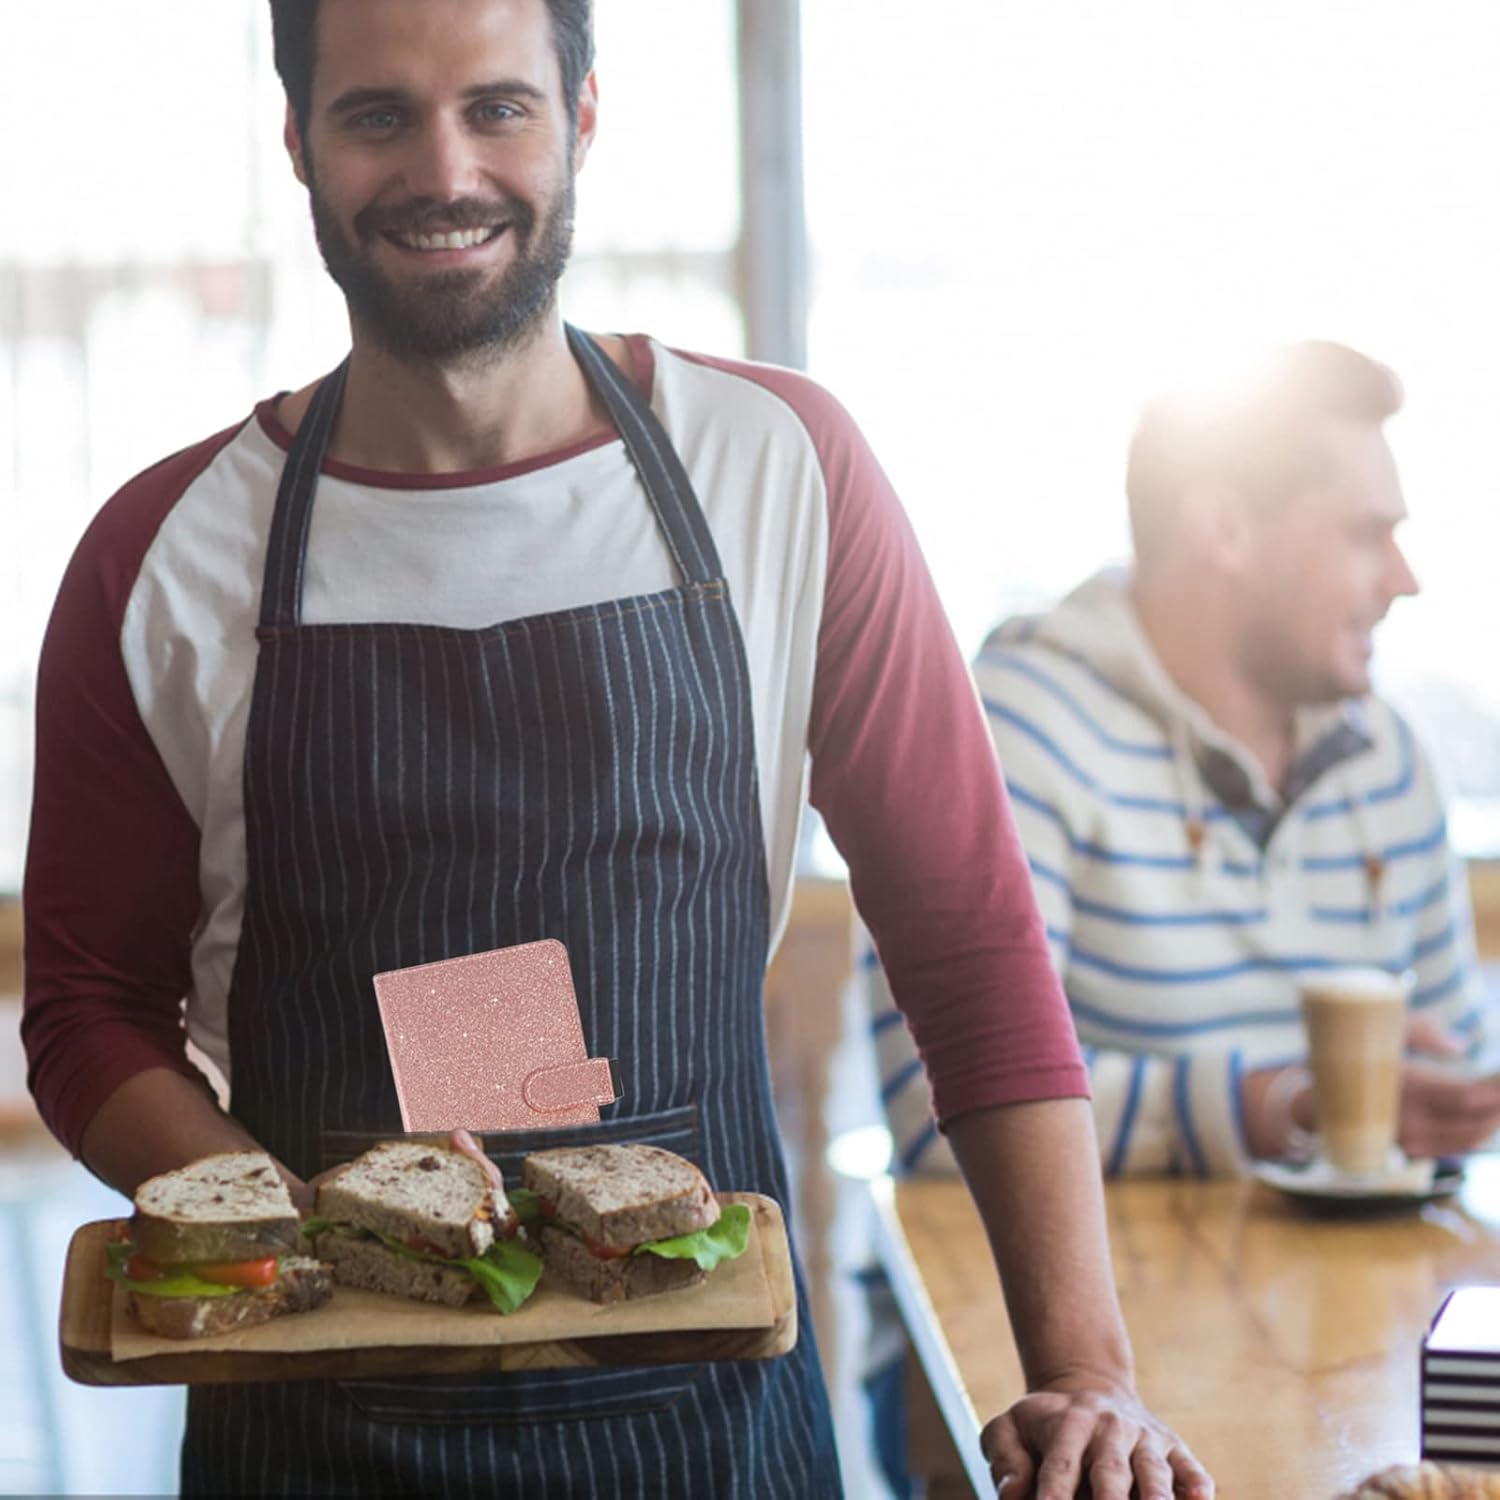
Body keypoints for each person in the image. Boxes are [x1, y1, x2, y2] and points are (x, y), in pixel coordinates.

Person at [20, 1, 1211, 1496]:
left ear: (583, 119)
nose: (445, 171)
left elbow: (965, 935)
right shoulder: (165, 556)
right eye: (379, 116)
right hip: (316, 1428)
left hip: (713, 1434)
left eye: (498, 110)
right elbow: (84, 1011)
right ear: (299, 146)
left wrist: (1089, 1374)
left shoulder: (780, 469)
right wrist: (290, 1223)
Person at [872, 339, 1500, 1184]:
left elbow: (1454, 1096)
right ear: (1224, 530)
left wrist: (1452, 1103)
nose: (1405, 579)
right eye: (1366, 534)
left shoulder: (1390, 761)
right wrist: (1277, 1105)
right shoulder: (1015, 730)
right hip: (1101, 1312)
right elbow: (938, 1112)